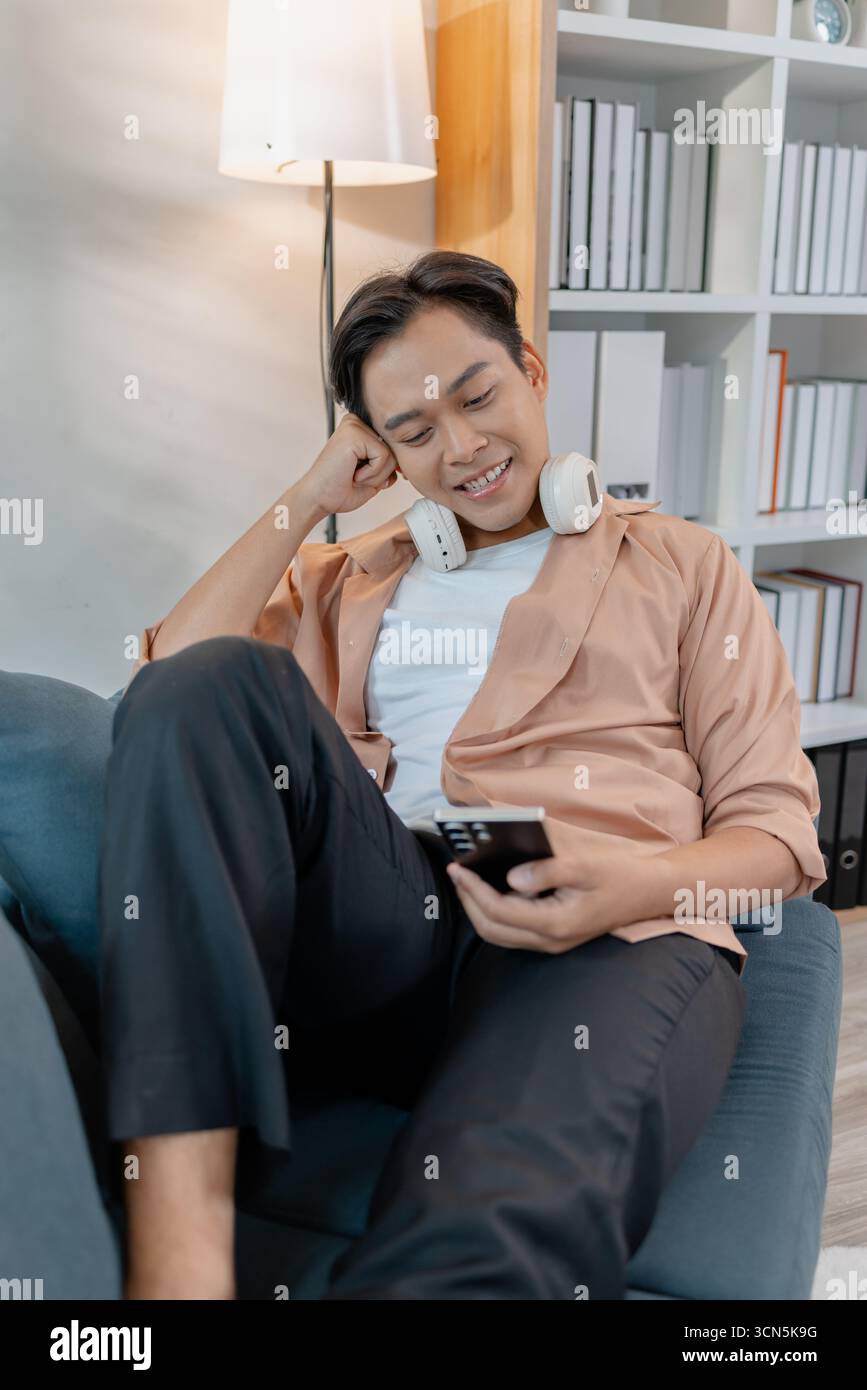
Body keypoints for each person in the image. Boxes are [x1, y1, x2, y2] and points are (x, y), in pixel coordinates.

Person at [100, 250, 826, 1300]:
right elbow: (165, 694)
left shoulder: (684, 564)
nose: (465, 448)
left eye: (478, 396)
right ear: (381, 452)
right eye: (417, 431)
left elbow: (779, 840)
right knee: (209, 684)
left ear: (532, 369)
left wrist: (627, 886)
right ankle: (179, 1277)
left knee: (493, 1204)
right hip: (386, 917)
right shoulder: (350, 575)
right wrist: (306, 499)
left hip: (601, 924)